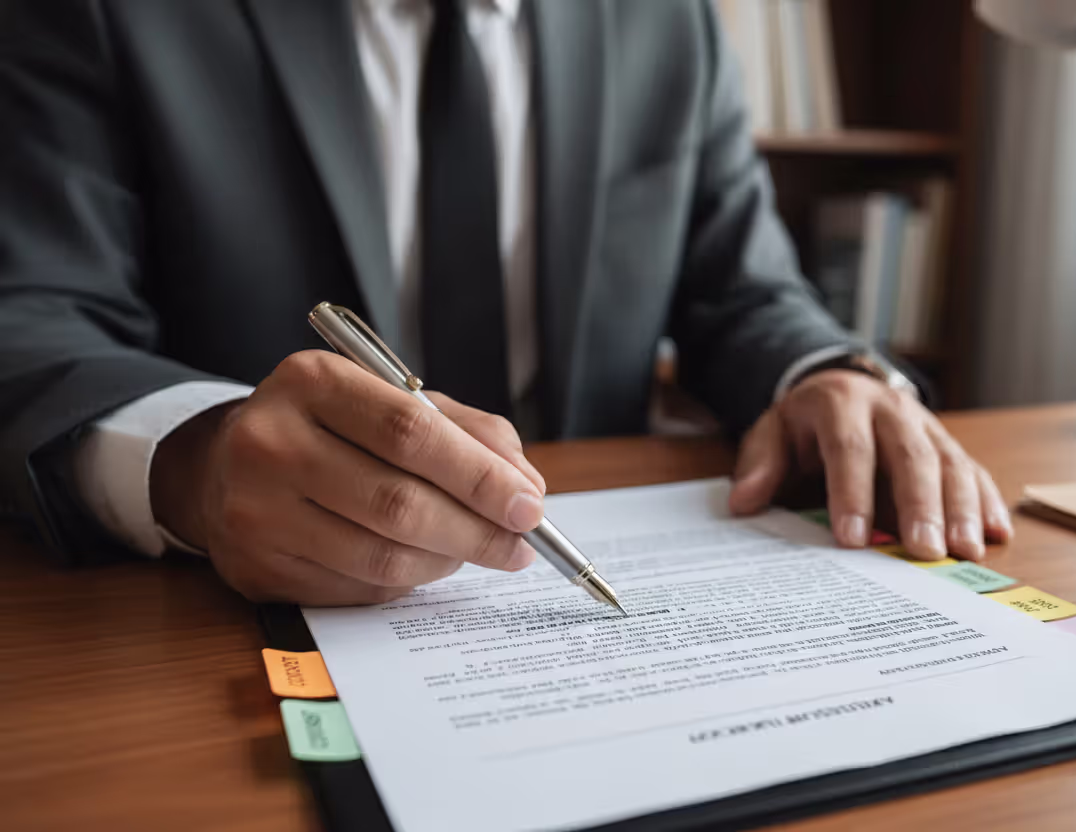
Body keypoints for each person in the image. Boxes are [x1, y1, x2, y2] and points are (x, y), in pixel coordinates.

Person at [0, 0, 1011, 606]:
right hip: (209, 627)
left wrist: (824, 371)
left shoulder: (669, 21)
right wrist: (191, 460)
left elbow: (743, 287)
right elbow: (33, 315)